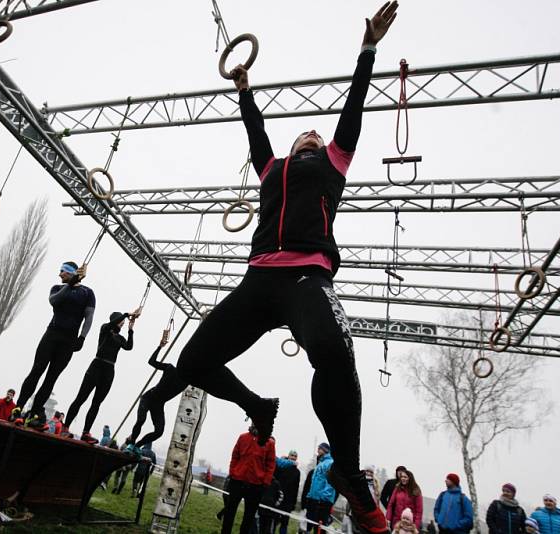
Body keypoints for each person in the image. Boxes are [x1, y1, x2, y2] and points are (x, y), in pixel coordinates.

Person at [174, 4, 399, 534]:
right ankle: (256, 404)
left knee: (335, 353)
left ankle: (348, 472)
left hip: (306, 278)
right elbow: (254, 130)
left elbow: (353, 109)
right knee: (192, 361)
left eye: (317, 138)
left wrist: (367, 49)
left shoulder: (333, 164)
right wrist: (244, 86)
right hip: (258, 281)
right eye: (305, 135)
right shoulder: (270, 167)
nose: (312, 136)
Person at [11, 261, 95, 430]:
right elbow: (54, 301)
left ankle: (34, 413)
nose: (59, 274)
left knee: (51, 378)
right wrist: (70, 284)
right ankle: (18, 407)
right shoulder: (57, 288)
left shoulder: (88, 292)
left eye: (62, 271)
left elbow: (89, 317)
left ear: (71, 272)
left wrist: (82, 338)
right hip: (52, 334)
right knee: (37, 369)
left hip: (69, 341)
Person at [63, 310, 137, 443]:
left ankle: (86, 432)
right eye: (121, 322)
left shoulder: (120, 338)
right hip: (96, 366)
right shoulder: (105, 328)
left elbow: (129, 347)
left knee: (96, 403)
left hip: (109, 371)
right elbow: (111, 324)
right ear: (115, 319)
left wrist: (130, 330)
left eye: (124, 323)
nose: (122, 324)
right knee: (81, 398)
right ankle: (65, 427)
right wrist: (126, 314)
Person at [127, 333, 181, 448]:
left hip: (159, 404)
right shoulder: (170, 368)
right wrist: (159, 347)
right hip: (148, 397)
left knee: (159, 432)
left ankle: (137, 445)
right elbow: (151, 362)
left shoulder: (186, 382)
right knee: (141, 420)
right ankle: (131, 444)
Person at [221, 424, 276, 534]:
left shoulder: (269, 443)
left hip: (256, 485)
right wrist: (233, 473)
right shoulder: (243, 437)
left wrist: (265, 481)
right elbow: (235, 456)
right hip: (237, 481)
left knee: (249, 518)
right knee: (229, 513)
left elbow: (271, 464)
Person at [305, 443, 336, 532]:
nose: (318, 450)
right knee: (309, 526)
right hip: (314, 499)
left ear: (325, 450)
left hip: (322, 502)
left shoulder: (330, 463)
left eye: (320, 448)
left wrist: (324, 498)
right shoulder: (320, 463)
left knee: (319, 529)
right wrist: (310, 495)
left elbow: (330, 482)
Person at [274, 451, 300, 534]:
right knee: (274, 521)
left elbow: (296, 488)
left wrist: (293, 503)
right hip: (278, 499)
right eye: (291, 455)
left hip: (288, 502)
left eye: (295, 456)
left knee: (284, 523)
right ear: (288, 456)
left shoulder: (297, 472)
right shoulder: (281, 467)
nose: (293, 457)